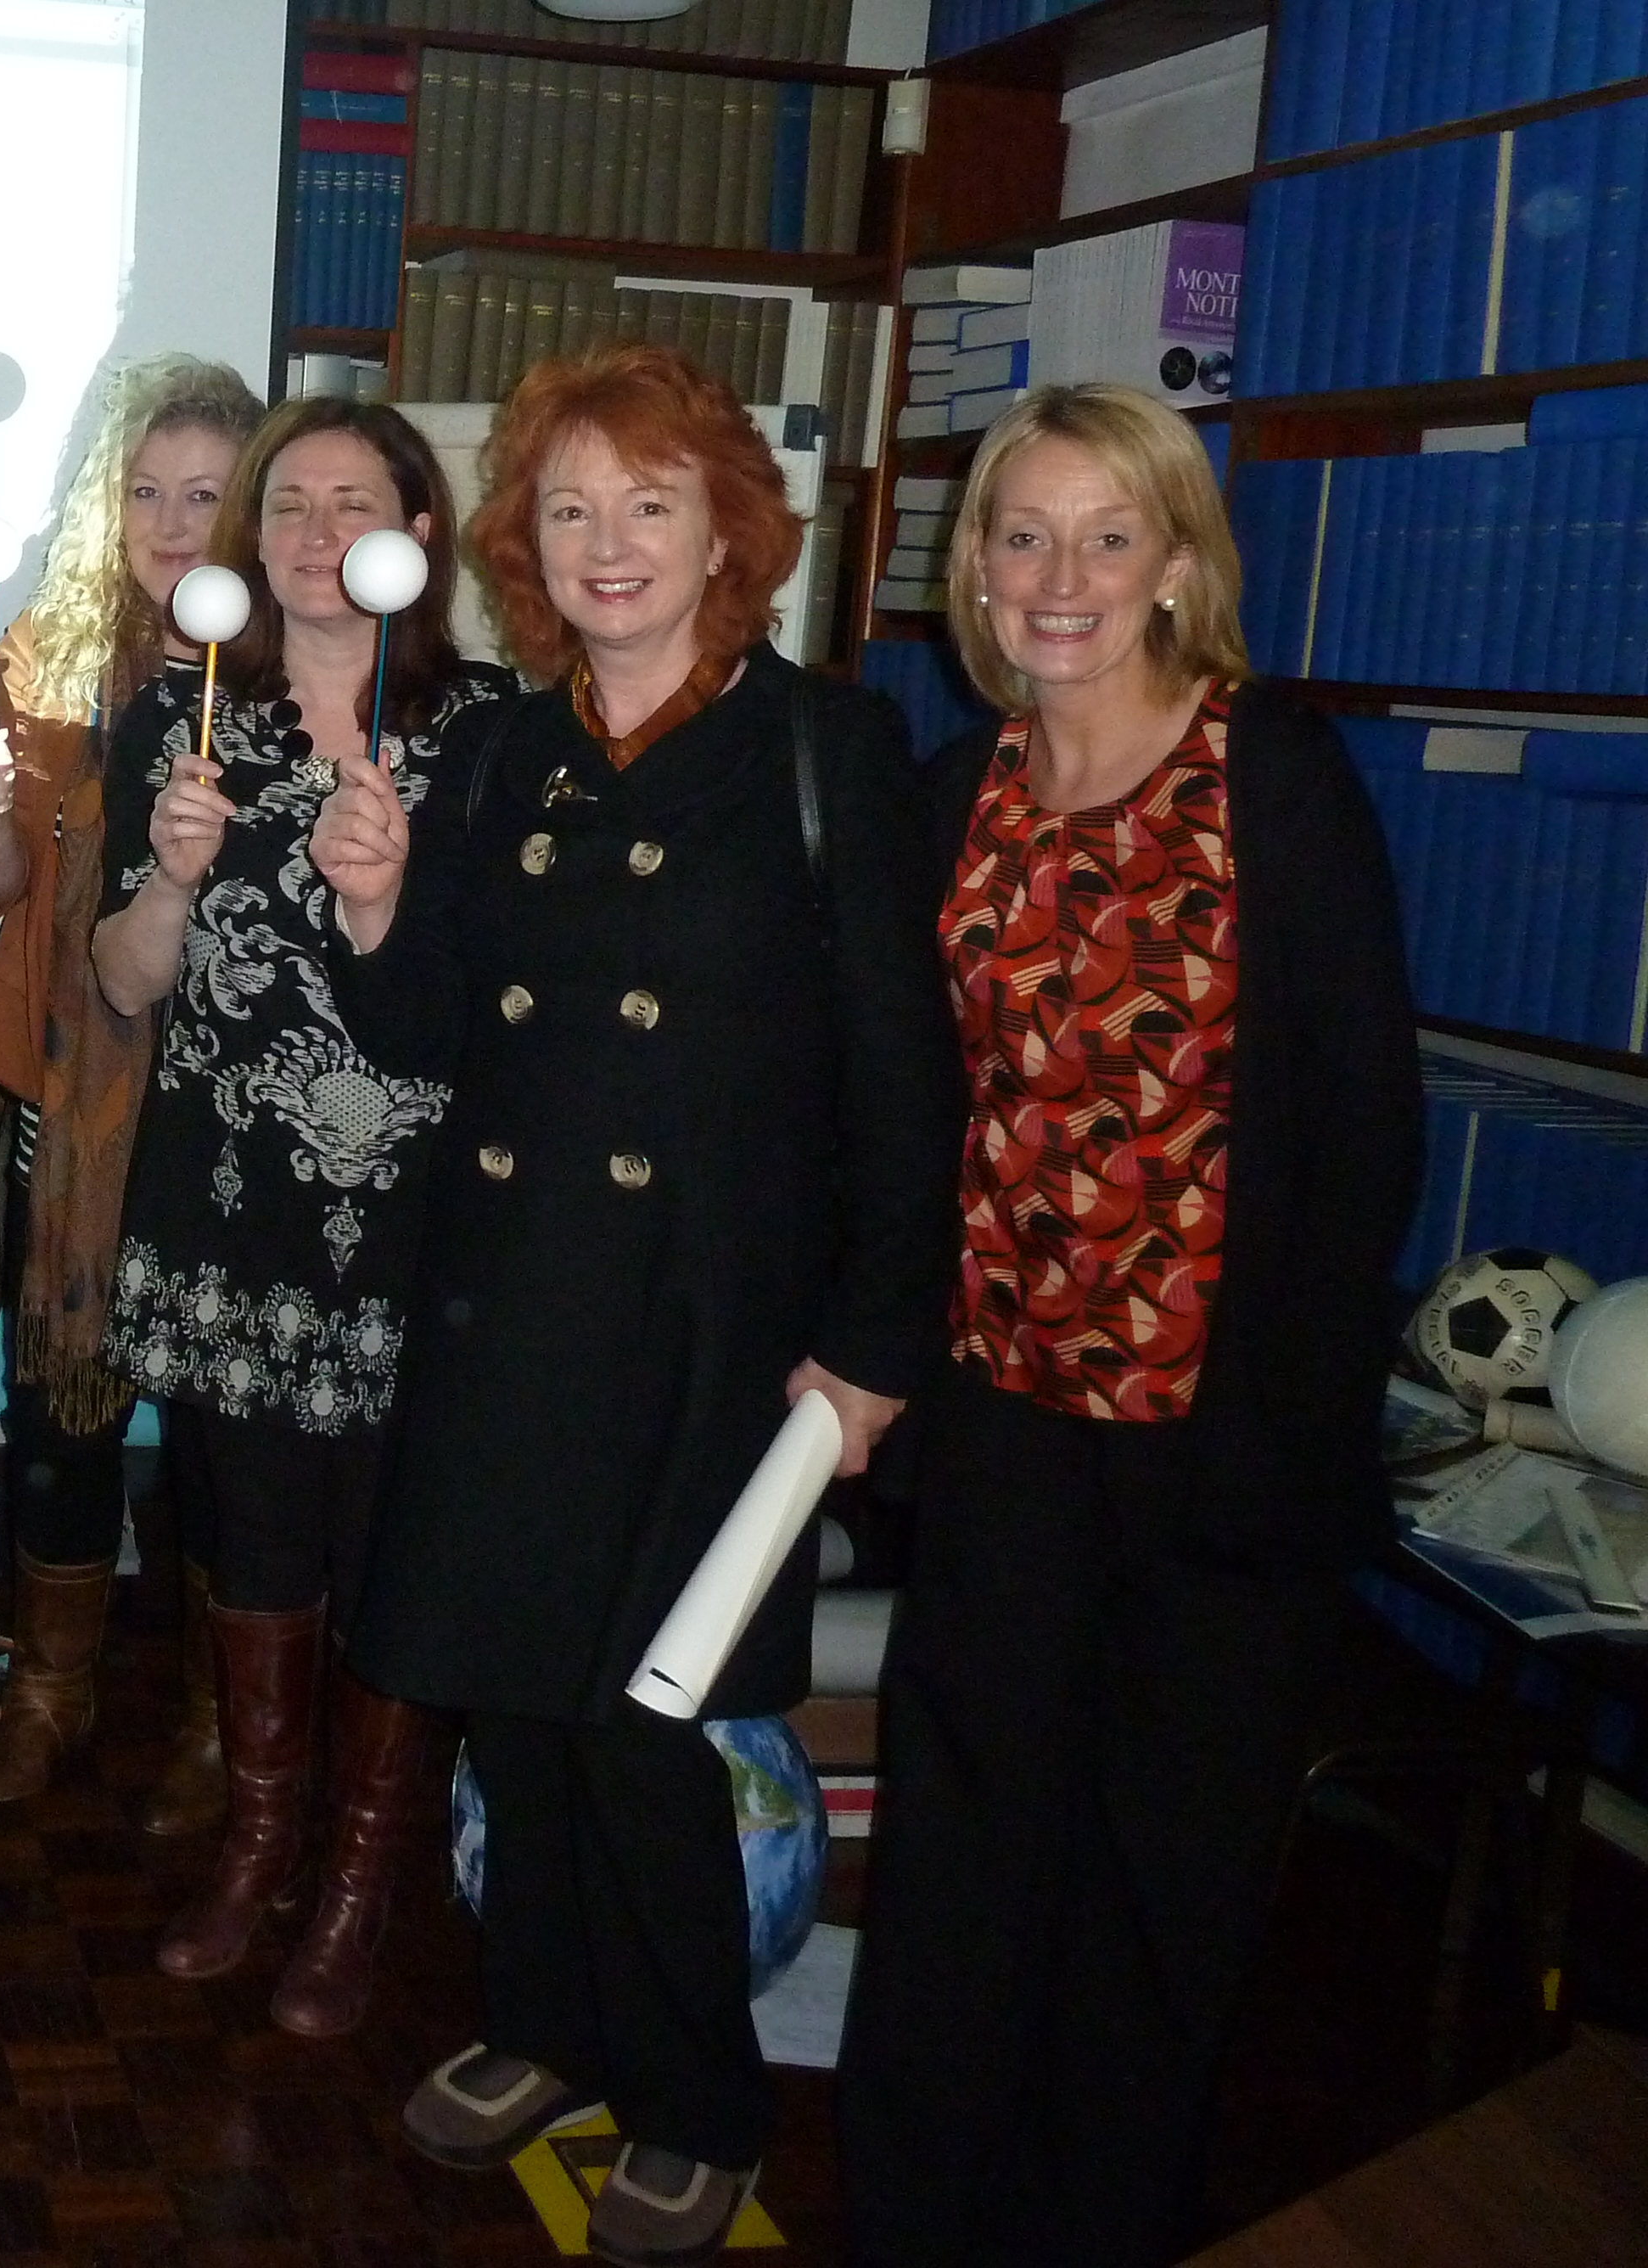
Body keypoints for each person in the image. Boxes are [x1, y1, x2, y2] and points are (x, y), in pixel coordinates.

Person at [313, 343, 961, 2263]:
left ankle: (696, 2101)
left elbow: (904, 1080)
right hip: (508, 1306)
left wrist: (874, 1349)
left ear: (724, 533)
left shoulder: (824, 749)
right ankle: (544, 2022)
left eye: (649, 504)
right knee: (514, 1700)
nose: (608, 542)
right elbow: (423, 1039)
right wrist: (372, 910)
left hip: (710, 1332)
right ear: (523, 541)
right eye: (571, 506)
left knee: (646, 1731)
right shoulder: (496, 751)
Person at [834, 385, 1422, 2268]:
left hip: (1219, 1447)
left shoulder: (1272, 774)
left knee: (1157, 1890)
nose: (1060, 577)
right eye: (1023, 536)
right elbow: (905, 1115)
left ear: (1174, 561)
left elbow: (1364, 1132)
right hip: (1001, 1427)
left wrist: (1282, 1429)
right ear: (976, 573)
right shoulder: (954, 799)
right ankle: (914, 2219)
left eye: (1106, 536)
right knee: (961, 1860)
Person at [90, 393, 512, 2035]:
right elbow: (126, 986)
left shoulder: (497, 735)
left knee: (393, 1559)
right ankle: (260, 1846)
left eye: (353, 504)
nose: (316, 535)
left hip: (420, 1230)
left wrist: (382, 894)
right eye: (286, 506)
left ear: (420, 530)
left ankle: (359, 1879)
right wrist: (171, 878)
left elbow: (500, 1011)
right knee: (254, 1544)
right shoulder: (184, 718)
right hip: (229, 1209)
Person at [0, 351, 264, 1817]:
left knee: (217, 1425)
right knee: (59, 1411)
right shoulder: (49, 659)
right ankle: (51, 1694)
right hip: (69, 1099)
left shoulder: (294, 666)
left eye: (207, 494)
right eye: (145, 492)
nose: (173, 524)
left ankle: (218, 1722)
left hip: (236, 1106)